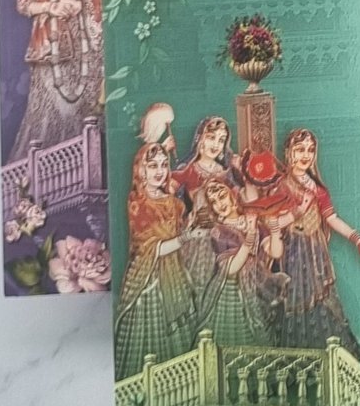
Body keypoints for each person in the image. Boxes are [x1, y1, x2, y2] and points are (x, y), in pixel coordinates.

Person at [253, 128, 360, 357]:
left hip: (315, 253)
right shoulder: (281, 186)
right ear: (289, 152)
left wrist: (358, 239)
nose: (305, 155)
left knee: (321, 302)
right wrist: (297, 211)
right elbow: (271, 223)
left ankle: (328, 356)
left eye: (310, 150)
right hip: (291, 252)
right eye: (300, 150)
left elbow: (331, 218)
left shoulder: (317, 189)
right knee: (293, 302)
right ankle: (294, 360)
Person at [10, 0, 103, 163]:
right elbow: (23, 4)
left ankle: (81, 172)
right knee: (50, 114)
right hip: (50, 48)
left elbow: (95, 3)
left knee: (83, 114)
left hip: (85, 46)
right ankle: (41, 176)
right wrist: (53, 6)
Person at [114, 142, 198, 377]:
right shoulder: (137, 204)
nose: (160, 171)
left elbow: (180, 236)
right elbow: (150, 249)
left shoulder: (174, 203)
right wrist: (185, 237)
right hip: (148, 276)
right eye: (152, 166)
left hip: (175, 275)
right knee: (149, 341)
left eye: (163, 164)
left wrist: (191, 228)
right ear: (141, 170)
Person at [184, 178, 276, 347]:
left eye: (222, 196)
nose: (220, 204)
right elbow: (231, 269)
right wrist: (249, 237)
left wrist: (275, 230)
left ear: (233, 195)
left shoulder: (255, 223)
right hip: (230, 292)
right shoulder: (219, 232)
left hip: (257, 286)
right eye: (214, 202)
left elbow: (275, 252)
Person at [174, 115, 239, 220]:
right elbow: (169, 194)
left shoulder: (225, 170)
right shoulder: (187, 169)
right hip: (198, 223)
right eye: (211, 138)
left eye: (221, 140)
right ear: (200, 139)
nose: (216, 145)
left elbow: (237, 198)